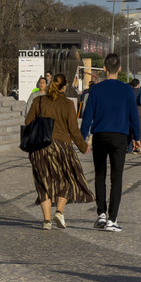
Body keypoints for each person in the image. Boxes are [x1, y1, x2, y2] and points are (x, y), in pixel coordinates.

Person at [79, 53, 140, 232]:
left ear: (104, 68)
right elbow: (133, 116)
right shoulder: (127, 90)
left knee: (100, 175)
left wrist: (83, 138)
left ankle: (101, 214)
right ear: (119, 68)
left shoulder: (96, 90)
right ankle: (112, 219)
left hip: (100, 136)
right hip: (119, 136)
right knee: (116, 178)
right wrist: (137, 137)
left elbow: (87, 116)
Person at [26, 74, 93, 229]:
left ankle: (46, 221)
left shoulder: (39, 101)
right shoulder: (68, 104)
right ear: (64, 87)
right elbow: (73, 130)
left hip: (39, 147)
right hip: (61, 146)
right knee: (68, 179)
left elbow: (28, 121)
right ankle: (59, 212)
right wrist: (83, 147)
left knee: (43, 182)